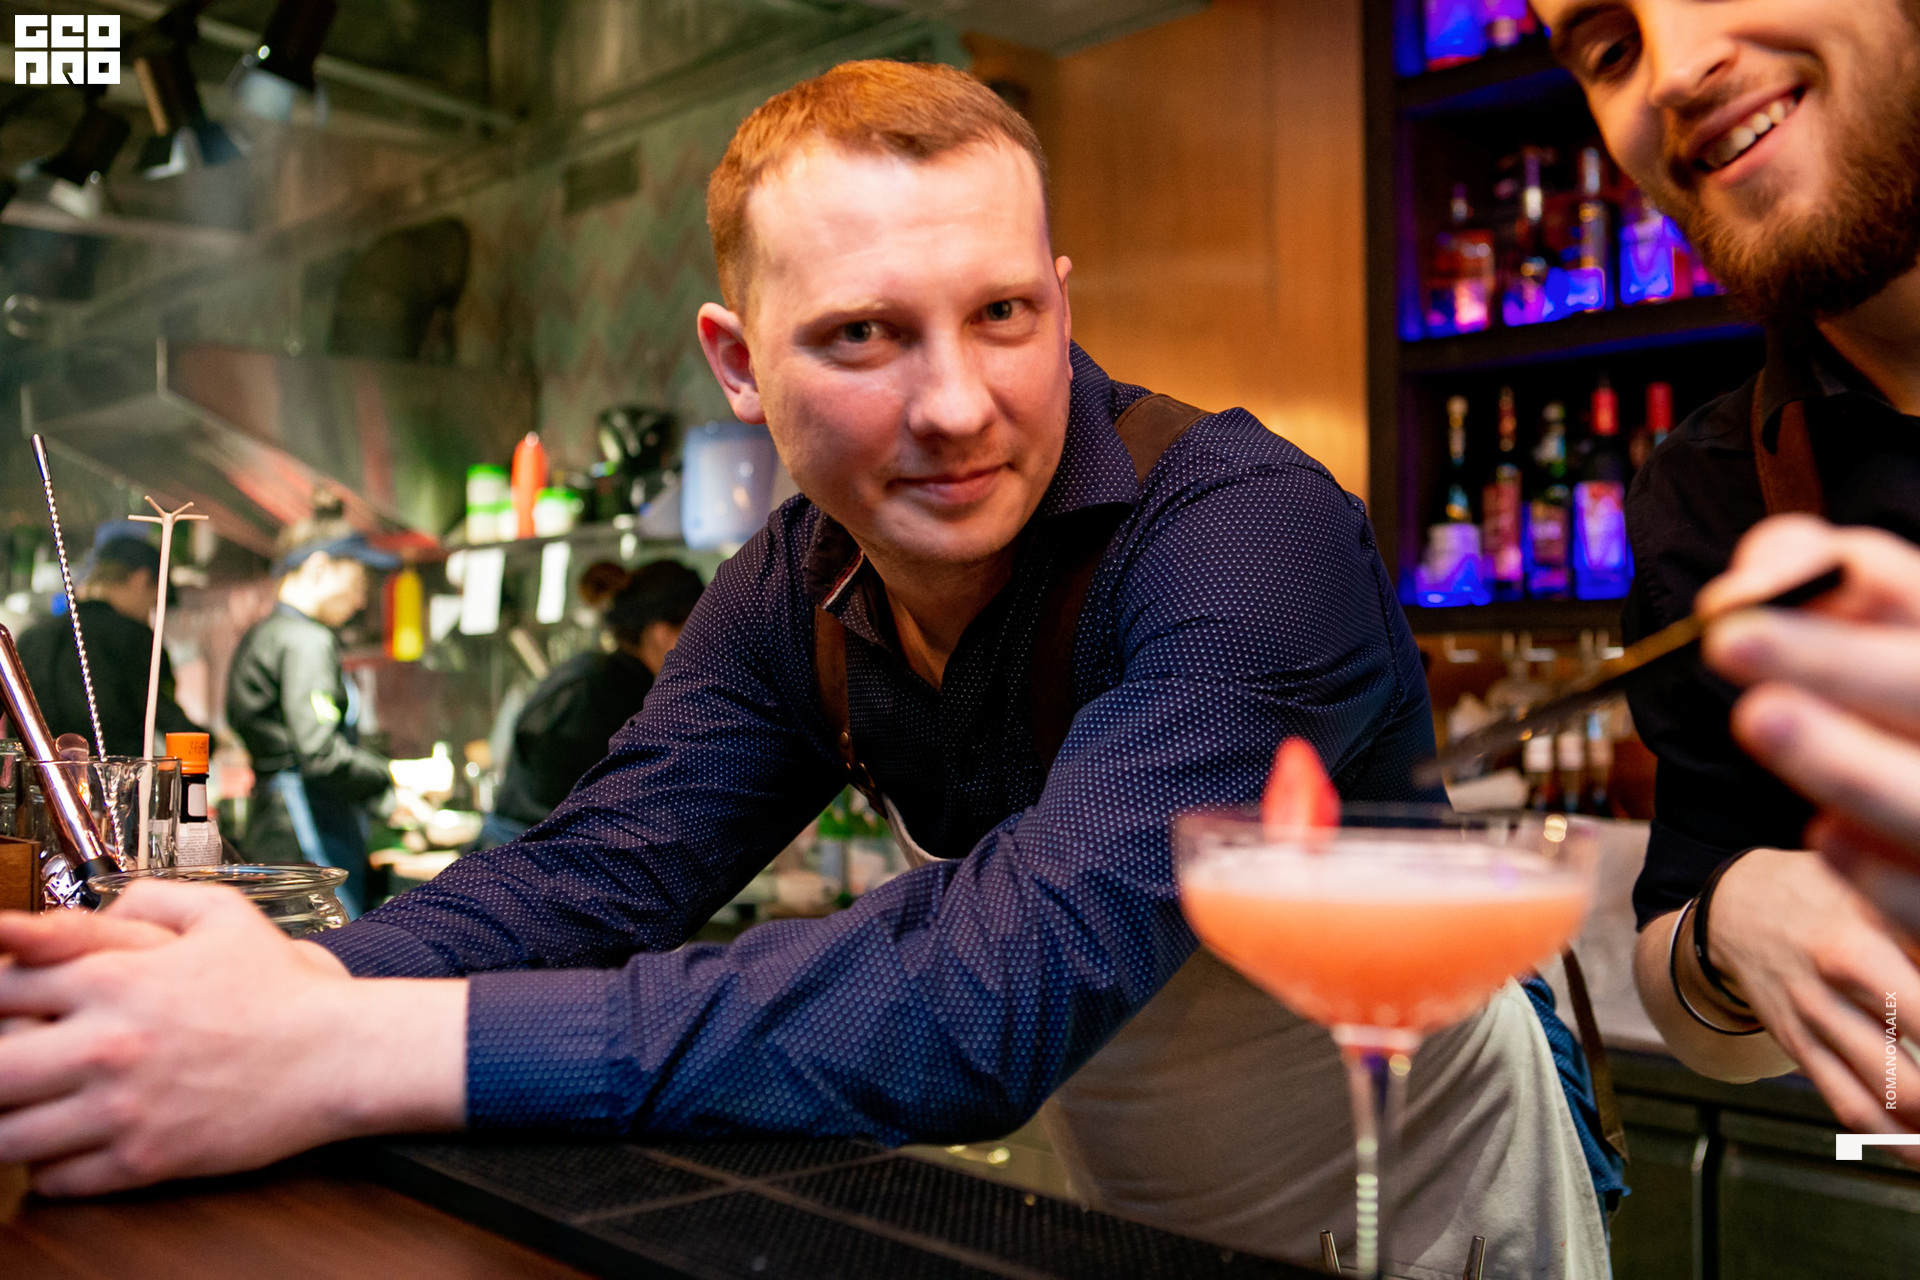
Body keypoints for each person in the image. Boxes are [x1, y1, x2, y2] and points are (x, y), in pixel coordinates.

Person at [0, 62, 1610, 1275]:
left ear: (1063, 308)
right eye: (862, 335)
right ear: (738, 363)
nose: (959, 405)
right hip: (1133, 1190)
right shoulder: (795, 586)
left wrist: (341, 1048)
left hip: (1429, 1181)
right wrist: (264, 1000)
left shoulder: (1246, 532)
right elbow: (592, 877)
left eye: (1002, 315)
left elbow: (1000, 988)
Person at [1535, 0, 1920, 1151]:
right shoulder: (1710, 488)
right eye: (1611, 48)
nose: (1671, 70)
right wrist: (1736, 918)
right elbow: (1698, 989)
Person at [226, 494, 402, 917]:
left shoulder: (263, 634)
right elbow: (320, 754)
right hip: (307, 830)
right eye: (358, 583)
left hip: (273, 825)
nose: (361, 601)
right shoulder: (307, 641)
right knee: (331, 947)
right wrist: (385, 780)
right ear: (320, 568)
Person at [480, 559, 704, 846]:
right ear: (662, 634)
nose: (705, 650)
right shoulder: (619, 694)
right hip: (540, 859)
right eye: (698, 633)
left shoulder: (590, 674)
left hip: (516, 852)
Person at [15, 522, 203, 757]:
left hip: (35, 775)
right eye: (153, 601)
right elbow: (165, 717)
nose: (149, 612)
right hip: (109, 776)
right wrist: (212, 744)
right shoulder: (134, 638)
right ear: (140, 579)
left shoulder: (32, 635)